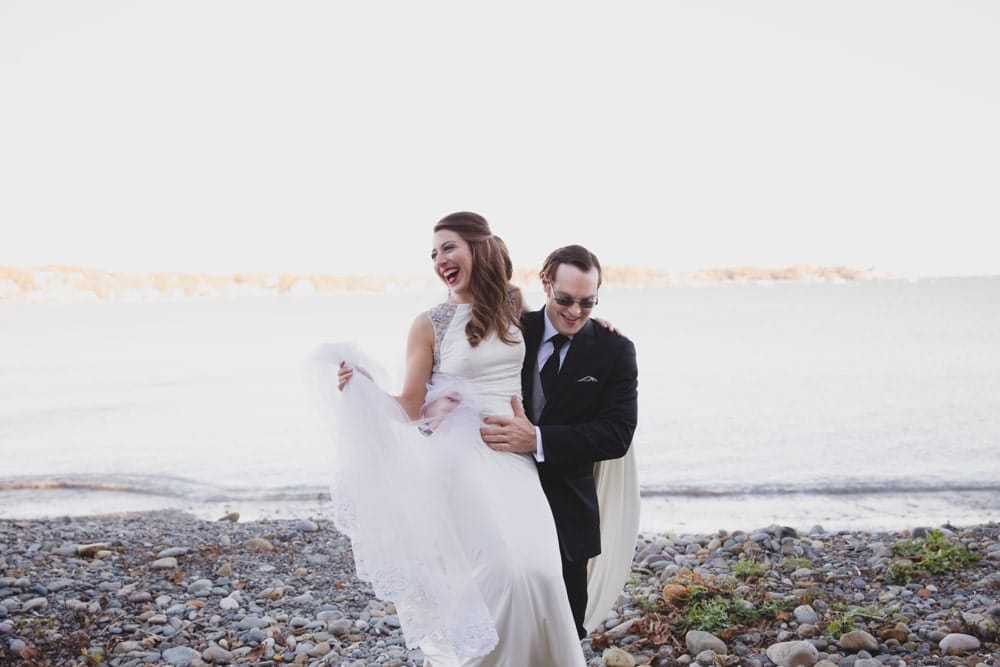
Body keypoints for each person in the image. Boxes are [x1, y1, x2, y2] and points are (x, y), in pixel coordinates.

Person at [311, 212, 587, 666]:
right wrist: (363, 387)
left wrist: (603, 330)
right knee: (501, 570)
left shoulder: (514, 303)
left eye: (448, 247)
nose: (440, 259)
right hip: (463, 458)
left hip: (514, 457)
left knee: (540, 570)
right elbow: (411, 405)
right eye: (434, 253)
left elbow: (568, 327)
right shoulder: (429, 324)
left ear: (478, 246)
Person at [480, 244, 640, 639]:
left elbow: (616, 434)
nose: (574, 312)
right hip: (501, 506)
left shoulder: (615, 351)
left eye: (588, 302)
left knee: (566, 633)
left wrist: (535, 438)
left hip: (567, 515)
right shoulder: (510, 331)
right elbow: (454, 371)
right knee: (503, 627)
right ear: (545, 283)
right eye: (565, 299)